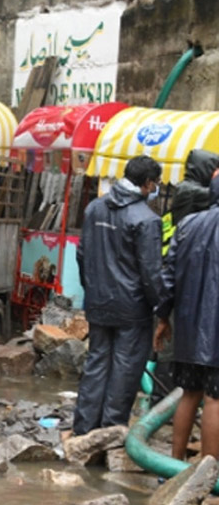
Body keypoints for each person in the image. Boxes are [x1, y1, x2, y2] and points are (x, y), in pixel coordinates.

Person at [72, 155, 164, 436]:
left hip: (99, 303)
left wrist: (92, 290)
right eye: (156, 184)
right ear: (148, 183)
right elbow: (151, 272)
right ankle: (111, 432)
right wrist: (161, 308)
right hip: (132, 308)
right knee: (125, 368)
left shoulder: (94, 209)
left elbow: (82, 255)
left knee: (97, 363)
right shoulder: (147, 220)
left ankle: (84, 430)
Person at [155, 176, 219, 460]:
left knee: (189, 392)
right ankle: (211, 480)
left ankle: (173, 466)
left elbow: (167, 276)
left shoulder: (188, 224)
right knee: (215, 399)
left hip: (190, 326)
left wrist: (162, 317)